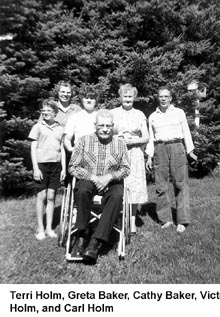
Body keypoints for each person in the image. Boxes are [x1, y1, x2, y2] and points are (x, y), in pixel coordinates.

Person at [68, 109, 130, 260]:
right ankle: (81, 235)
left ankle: (95, 242)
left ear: (113, 126)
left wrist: (109, 177)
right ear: (95, 125)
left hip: (112, 182)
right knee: (81, 190)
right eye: (101, 125)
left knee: (117, 196)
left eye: (108, 126)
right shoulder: (83, 140)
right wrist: (94, 178)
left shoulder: (120, 143)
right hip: (89, 180)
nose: (105, 129)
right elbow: (73, 167)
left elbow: (126, 168)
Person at [146, 87, 197, 233]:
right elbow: (150, 138)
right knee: (161, 185)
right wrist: (149, 156)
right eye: (161, 96)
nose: (163, 99)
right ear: (158, 98)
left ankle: (182, 220)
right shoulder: (153, 116)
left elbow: (186, 131)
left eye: (166, 96)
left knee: (180, 183)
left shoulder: (179, 113)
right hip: (159, 149)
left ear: (170, 98)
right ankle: (166, 219)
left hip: (177, 147)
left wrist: (190, 151)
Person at [110, 83, 149, 234]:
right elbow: (105, 133)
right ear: (120, 97)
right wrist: (117, 137)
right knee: (118, 185)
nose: (127, 99)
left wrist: (132, 141)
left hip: (135, 153)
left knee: (134, 186)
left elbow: (145, 137)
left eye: (130, 96)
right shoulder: (112, 113)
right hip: (116, 153)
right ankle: (117, 219)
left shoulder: (139, 114)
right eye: (124, 96)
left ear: (134, 97)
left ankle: (132, 222)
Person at [29, 98, 66, 240]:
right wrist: (35, 168)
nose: (46, 113)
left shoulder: (60, 128)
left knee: (51, 196)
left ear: (55, 112)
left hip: (55, 165)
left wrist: (63, 168)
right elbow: (33, 148)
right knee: (42, 196)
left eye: (49, 111)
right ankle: (41, 229)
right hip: (42, 165)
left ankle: (50, 228)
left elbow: (62, 149)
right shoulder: (38, 127)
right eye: (43, 111)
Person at [64, 88, 99, 153]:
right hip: (80, 154)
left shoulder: (100, 116)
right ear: (82, 100)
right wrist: (70, 149)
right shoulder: (74, 117)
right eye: (86, 98)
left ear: (96, 101)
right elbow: (67, 138)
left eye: (92, 98)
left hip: (98, 153)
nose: (89, 100)